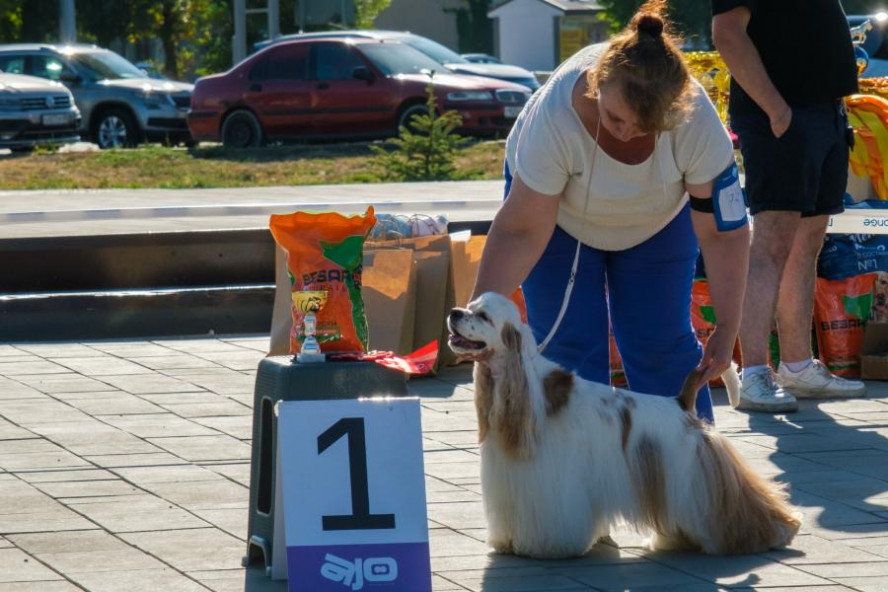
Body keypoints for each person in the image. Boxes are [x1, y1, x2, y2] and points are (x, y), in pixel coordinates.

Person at [470, 0, 749, 423]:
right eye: (617, 118)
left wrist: (728, 327)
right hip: (556, 219)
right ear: (597, 85)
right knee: (568, 351)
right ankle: (576, 482)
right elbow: (521, 232)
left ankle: (693, 478)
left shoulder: (698, 126)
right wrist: (480, 317)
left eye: (645, 126)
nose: (626, 133)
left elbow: (723, 233)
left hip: (658, 220)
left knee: (663, 346)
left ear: (675, 111)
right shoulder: (555, 119)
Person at [712, 0, 866, 413]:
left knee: (807, 242)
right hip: (778, 117)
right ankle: (755, 374)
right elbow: (727, 33)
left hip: (824, 112)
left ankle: (797, 366)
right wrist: (777, 110)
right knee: (772, 243)